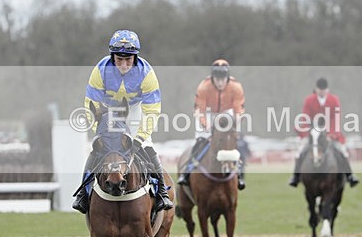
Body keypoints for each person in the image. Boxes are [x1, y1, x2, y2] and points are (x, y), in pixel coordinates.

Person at [72, 29, 173, 214]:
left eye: (128, 59)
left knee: (147, 146)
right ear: (112, 57)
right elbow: (91, 105)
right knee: (97, 148)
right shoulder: (100, 70)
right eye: (119, 59)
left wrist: (139, 138)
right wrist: (100, 132)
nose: (124, 64)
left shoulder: (147, 73)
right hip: (107, 110)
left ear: (135, 57)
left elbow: (152, 111)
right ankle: (83, 194)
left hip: (134, 110)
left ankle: (161, 192)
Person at [177, 59, 246, 190]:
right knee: (201, 141)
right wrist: (207, 126)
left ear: (227, 78)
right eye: (217, 79)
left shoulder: (236, 87)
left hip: (227, 113)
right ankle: (187, 171)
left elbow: (239, 111)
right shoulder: (204, 86)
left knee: (234, 142)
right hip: (208, 113)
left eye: (222, 79)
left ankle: (240, 174)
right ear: (212, 77)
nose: (220, 83)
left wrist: (233, 126)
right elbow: (199, 110)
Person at [288, 77, 359, 188]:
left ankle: (350, 175)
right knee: (300, 151)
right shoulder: (309, 100)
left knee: (342, 151)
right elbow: (305, 116)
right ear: (316, 90)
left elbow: (336, 117)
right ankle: (295, 177)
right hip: (313, 132)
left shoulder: (334, 100)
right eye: (320, 90)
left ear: (327, 90)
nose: (322, 92)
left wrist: (331, 133)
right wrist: (307, 131)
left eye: (324, 90)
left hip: (330, 132)